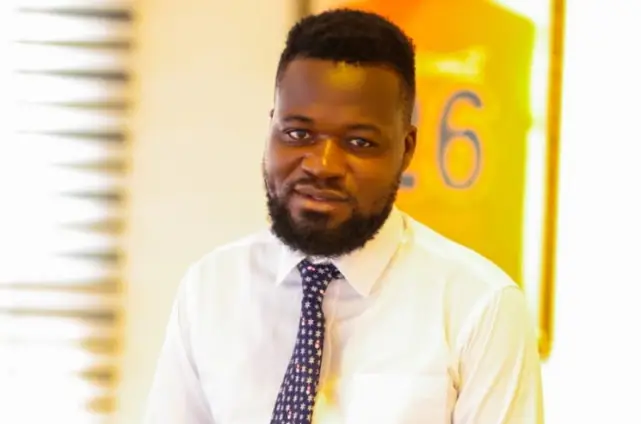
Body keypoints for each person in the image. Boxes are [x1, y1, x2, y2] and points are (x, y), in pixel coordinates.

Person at [144, 8, 543, 424]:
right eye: (298, 133)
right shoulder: (211, 288)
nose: (322, 165)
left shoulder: (478, 307)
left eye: (359, 142)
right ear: (272, 128)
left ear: (406, 149)